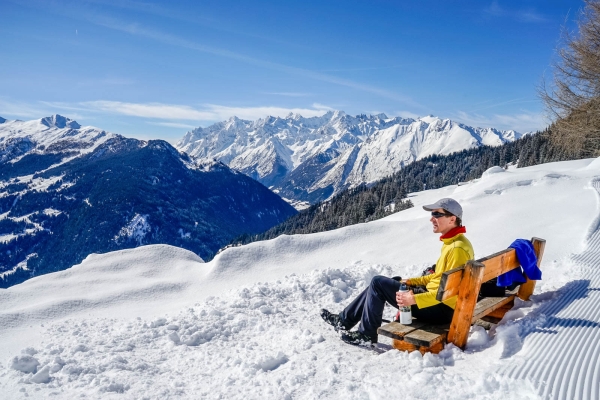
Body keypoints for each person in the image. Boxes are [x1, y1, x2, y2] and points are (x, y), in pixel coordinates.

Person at [320, 198, 474, 345]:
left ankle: (366, 334)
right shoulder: (454, 243)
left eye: (437, 214)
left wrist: (414, 299)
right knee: (388, 282)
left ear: (452, 219)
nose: (431, 219)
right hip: (436, 303)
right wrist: (411, 282)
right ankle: (344, 321)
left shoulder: (456, 249)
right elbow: (438, 278)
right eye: (432, 214)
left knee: (378, 283)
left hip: (439, 309)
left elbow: (449, 291)